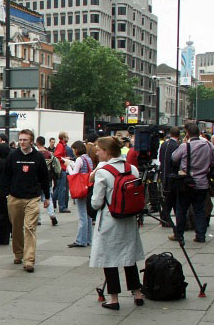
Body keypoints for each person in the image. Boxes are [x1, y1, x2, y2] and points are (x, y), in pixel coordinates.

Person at [89, 136, 145, 310]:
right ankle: (137, 293)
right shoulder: (133, 169)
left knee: (109, 259)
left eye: (99, 149)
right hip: (128, 219)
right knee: (129, 257)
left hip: (109, 219)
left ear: (107, 152)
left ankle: (114, 298)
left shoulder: (103, 172)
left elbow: (96, 202)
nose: (96, 152)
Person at [2, 129, 50, 272]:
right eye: (20, 140)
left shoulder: (38, 157)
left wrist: (47, 196)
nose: (22, 142)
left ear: (31, 141)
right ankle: (18, 253)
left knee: (30, 228)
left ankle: (29, 260)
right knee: (16, 228)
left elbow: (44, 178)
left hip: (32, 198)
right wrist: (6, 194)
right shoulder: (13, 155)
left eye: (25, 140)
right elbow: (6, 176)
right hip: (15, 197)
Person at [169, 123, 214, 244]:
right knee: (200, 210)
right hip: (202, 183)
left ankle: (179, 234)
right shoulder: (208, 145)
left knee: (181, 209)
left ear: (187, 133)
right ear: (199, 133)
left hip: (186, 182)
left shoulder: (185, 146)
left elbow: (174, 158)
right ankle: (201, 235)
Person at [64, 140, 93, 248]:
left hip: (80, 189)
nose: (73, 152)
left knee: (82, 216)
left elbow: (74, 174)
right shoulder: (88, 158)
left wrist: (67, 165)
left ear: (77, 149)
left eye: (73, 150)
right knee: (88, 216)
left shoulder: (80, 159)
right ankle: (89, 239)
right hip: (88, 187)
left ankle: (81, 240)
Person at [157, 126, 181, 228]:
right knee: (172, 198)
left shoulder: (163, 144)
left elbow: (161, 159)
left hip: (164, 174)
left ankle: (165, 218)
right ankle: (166, 218)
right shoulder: (177, 146)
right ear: (178, 135)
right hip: (173, 176)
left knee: (168, 197)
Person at [35, 136, 59, 227]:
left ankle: (38, 219)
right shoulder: (50, 154)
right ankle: (52, 215)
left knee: (36, 200)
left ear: (37, 143)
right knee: (48, 198)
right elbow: (57, 168)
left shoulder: (35, 154)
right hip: (47, 179)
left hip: (37, 181)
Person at [53, 131, 72, 212]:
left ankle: (52, 202)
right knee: (62, 188)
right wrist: (64, 159)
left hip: (61, 168)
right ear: (63, 138)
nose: (68, 138)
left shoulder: (60, 145)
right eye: (67, 136)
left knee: (59, 188)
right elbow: (57, 156)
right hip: (62, 168)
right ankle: (62, 206)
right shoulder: (61, 146)